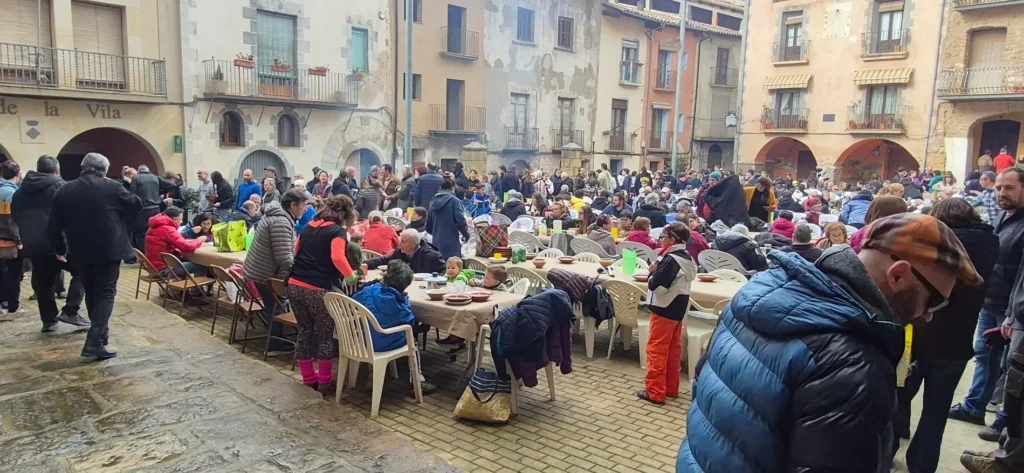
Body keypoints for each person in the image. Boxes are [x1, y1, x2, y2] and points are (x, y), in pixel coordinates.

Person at [680, 213, 983, 473]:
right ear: (899, 276)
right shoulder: (854, 364)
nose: (928, 316)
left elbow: (702, 384)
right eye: (934, 301)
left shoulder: (756, 292)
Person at [890, 198, 996, 473]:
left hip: (918, 336)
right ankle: (922, 466)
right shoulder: (990, 244)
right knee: (936, 413)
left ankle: (885, 453)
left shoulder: (930, 240)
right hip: (957, 343)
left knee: (896, 399)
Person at [48, 153, 142, 360]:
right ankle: (94, 341)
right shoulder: (112, 187)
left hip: (79, 250)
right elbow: (136, 204)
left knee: (91, 292)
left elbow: (53, 225)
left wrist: (60, 249)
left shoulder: (65, 189)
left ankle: (101, 338)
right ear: (104, 170)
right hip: (109, 249)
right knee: (106, 293)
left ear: (83, 167)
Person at [951, 167, 1024, 430]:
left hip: (1014, 310)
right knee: (984, 355)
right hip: (991, 301)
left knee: (1012, 367)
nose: (1002, 193)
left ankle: (1006, 421)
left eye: (1009, 188)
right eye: (998, 188)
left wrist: (1013, 315)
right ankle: (974, 406)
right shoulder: (1002, 218)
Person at [286, 195, 358, 396]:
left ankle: (309, 379)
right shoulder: (338, 231)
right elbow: (337, 257)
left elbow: (295, 250)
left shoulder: (309, 226)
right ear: (346, 214)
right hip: (317, 288)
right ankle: (325, 382)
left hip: (294, 285)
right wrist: (351, 276)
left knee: (305, 331)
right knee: (325, 335)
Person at [12, 156, 87, 331]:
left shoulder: (19, 192)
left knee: (43, 282)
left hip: (33, 245)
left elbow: (16, 217)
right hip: (60, 242)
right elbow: (73, 217)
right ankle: (71, 309)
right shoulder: (61, 187)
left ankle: (48, 320)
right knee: (82, 271)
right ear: (56, 170)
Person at [637, 221, 697, 405]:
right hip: (678, 308)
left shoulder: (671, 260)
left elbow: (658, 287)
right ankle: (671, 387)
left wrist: (652, 272)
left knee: (656, 349)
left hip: (664, 307)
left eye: (663, 237)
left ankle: (655, 391)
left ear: (672, 240)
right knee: (673, 349)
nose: (660, 240)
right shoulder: (687, 258)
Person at [243, 188, 309, 352]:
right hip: (265, 273)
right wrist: (304, 268)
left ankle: (277, 338)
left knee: (275, 304)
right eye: (304, 205)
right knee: (275, 306)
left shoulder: (279, 216)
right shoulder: (281, 222)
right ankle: (275, 342)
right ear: (293, 205)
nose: (305, 209)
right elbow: (284, 257)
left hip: (261, 270)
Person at [145, 207, 207, 276]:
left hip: (153, 267)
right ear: (175, 219)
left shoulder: (154, 226)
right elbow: (186, 247)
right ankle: (195, 287)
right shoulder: (168, 229)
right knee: (202, 266)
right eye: (181, 219)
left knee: (187, 259)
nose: (182, 222)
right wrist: (200, 240)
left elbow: (176, 240)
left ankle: (183, 284)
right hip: (164, 269)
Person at [129, 164, 175, 254]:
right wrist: (160, 192)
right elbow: (172, 185)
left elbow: (132, 195)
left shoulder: (136, 178)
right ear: (148, 170)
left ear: (138, 171)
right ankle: (155, 252)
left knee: (141, 233)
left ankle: (144, 254)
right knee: (155, 231)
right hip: (155, 209)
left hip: (143, 209)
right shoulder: (155, 177)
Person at [363, 228, 445, 274]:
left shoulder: (431, 256)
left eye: (403, 241)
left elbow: (444, 272)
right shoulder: (400, 252)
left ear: (413, 244)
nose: (399, 243)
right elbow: (383, 260)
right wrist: (363, 264)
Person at [425, 177, 470, 260]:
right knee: (453, 269)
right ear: (453, 188)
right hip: (452, 243)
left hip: (436, 243)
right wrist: (466, 235)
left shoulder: (432, 201)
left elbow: (428, 226)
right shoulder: (454, 201)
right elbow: (461, 222)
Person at [0, 161, 22, 314]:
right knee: (14, 274)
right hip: (9, 242)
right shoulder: (12, 194)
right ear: (18, 173)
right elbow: (11, 221)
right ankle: (12, 306)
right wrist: (19, 241)